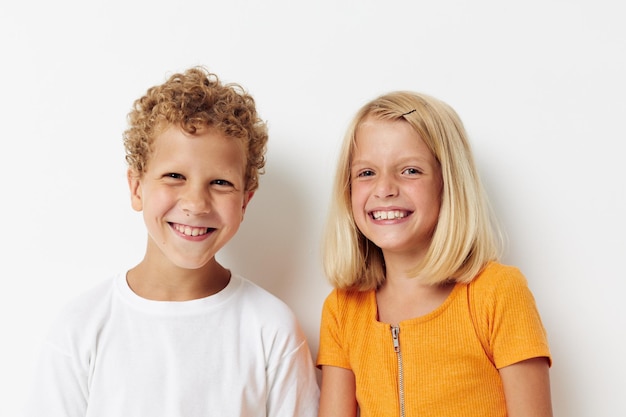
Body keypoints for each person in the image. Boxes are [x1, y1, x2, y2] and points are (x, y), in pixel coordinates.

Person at [24, 67, 319, 417]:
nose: (196, 203)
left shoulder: (271, 328)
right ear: (136, 188)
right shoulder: (80, 327)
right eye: (174, 176)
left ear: (245, 202)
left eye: (221, 183)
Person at [316, 91, 552, 417]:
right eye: (366, 173)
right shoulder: (342, 309)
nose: (384, 189)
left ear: (448, 183)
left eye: (411, 171)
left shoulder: (498, 292)